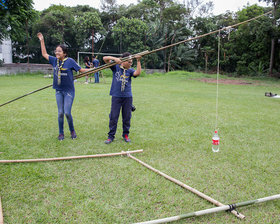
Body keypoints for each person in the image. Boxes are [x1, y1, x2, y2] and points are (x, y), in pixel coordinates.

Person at [37, 32, 90, 141]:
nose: (57, 52)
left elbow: (80, 70)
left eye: (59, 51)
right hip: (59, 91)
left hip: (69, 91)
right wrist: (42, 40)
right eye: (56, 51)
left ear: (64, 53)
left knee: (67, 112)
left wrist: (91, 70)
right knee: (60, 113)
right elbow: (44, 54)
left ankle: (72, 130)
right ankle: (61, 133)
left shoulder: (70, 61)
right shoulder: (54, 61)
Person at [103, 52, 142, 144]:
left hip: (127, 97)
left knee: (127, 117)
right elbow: (105, 58)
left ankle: (125, 135)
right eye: (128, 62)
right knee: (113, 117)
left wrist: (138, 60)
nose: (130, 63)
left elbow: (137, 73)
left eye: (131, 62)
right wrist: (115, 58)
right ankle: (111, 136)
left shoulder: (130, 70)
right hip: (116, 96)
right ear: (123, 61)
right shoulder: (115, 67)